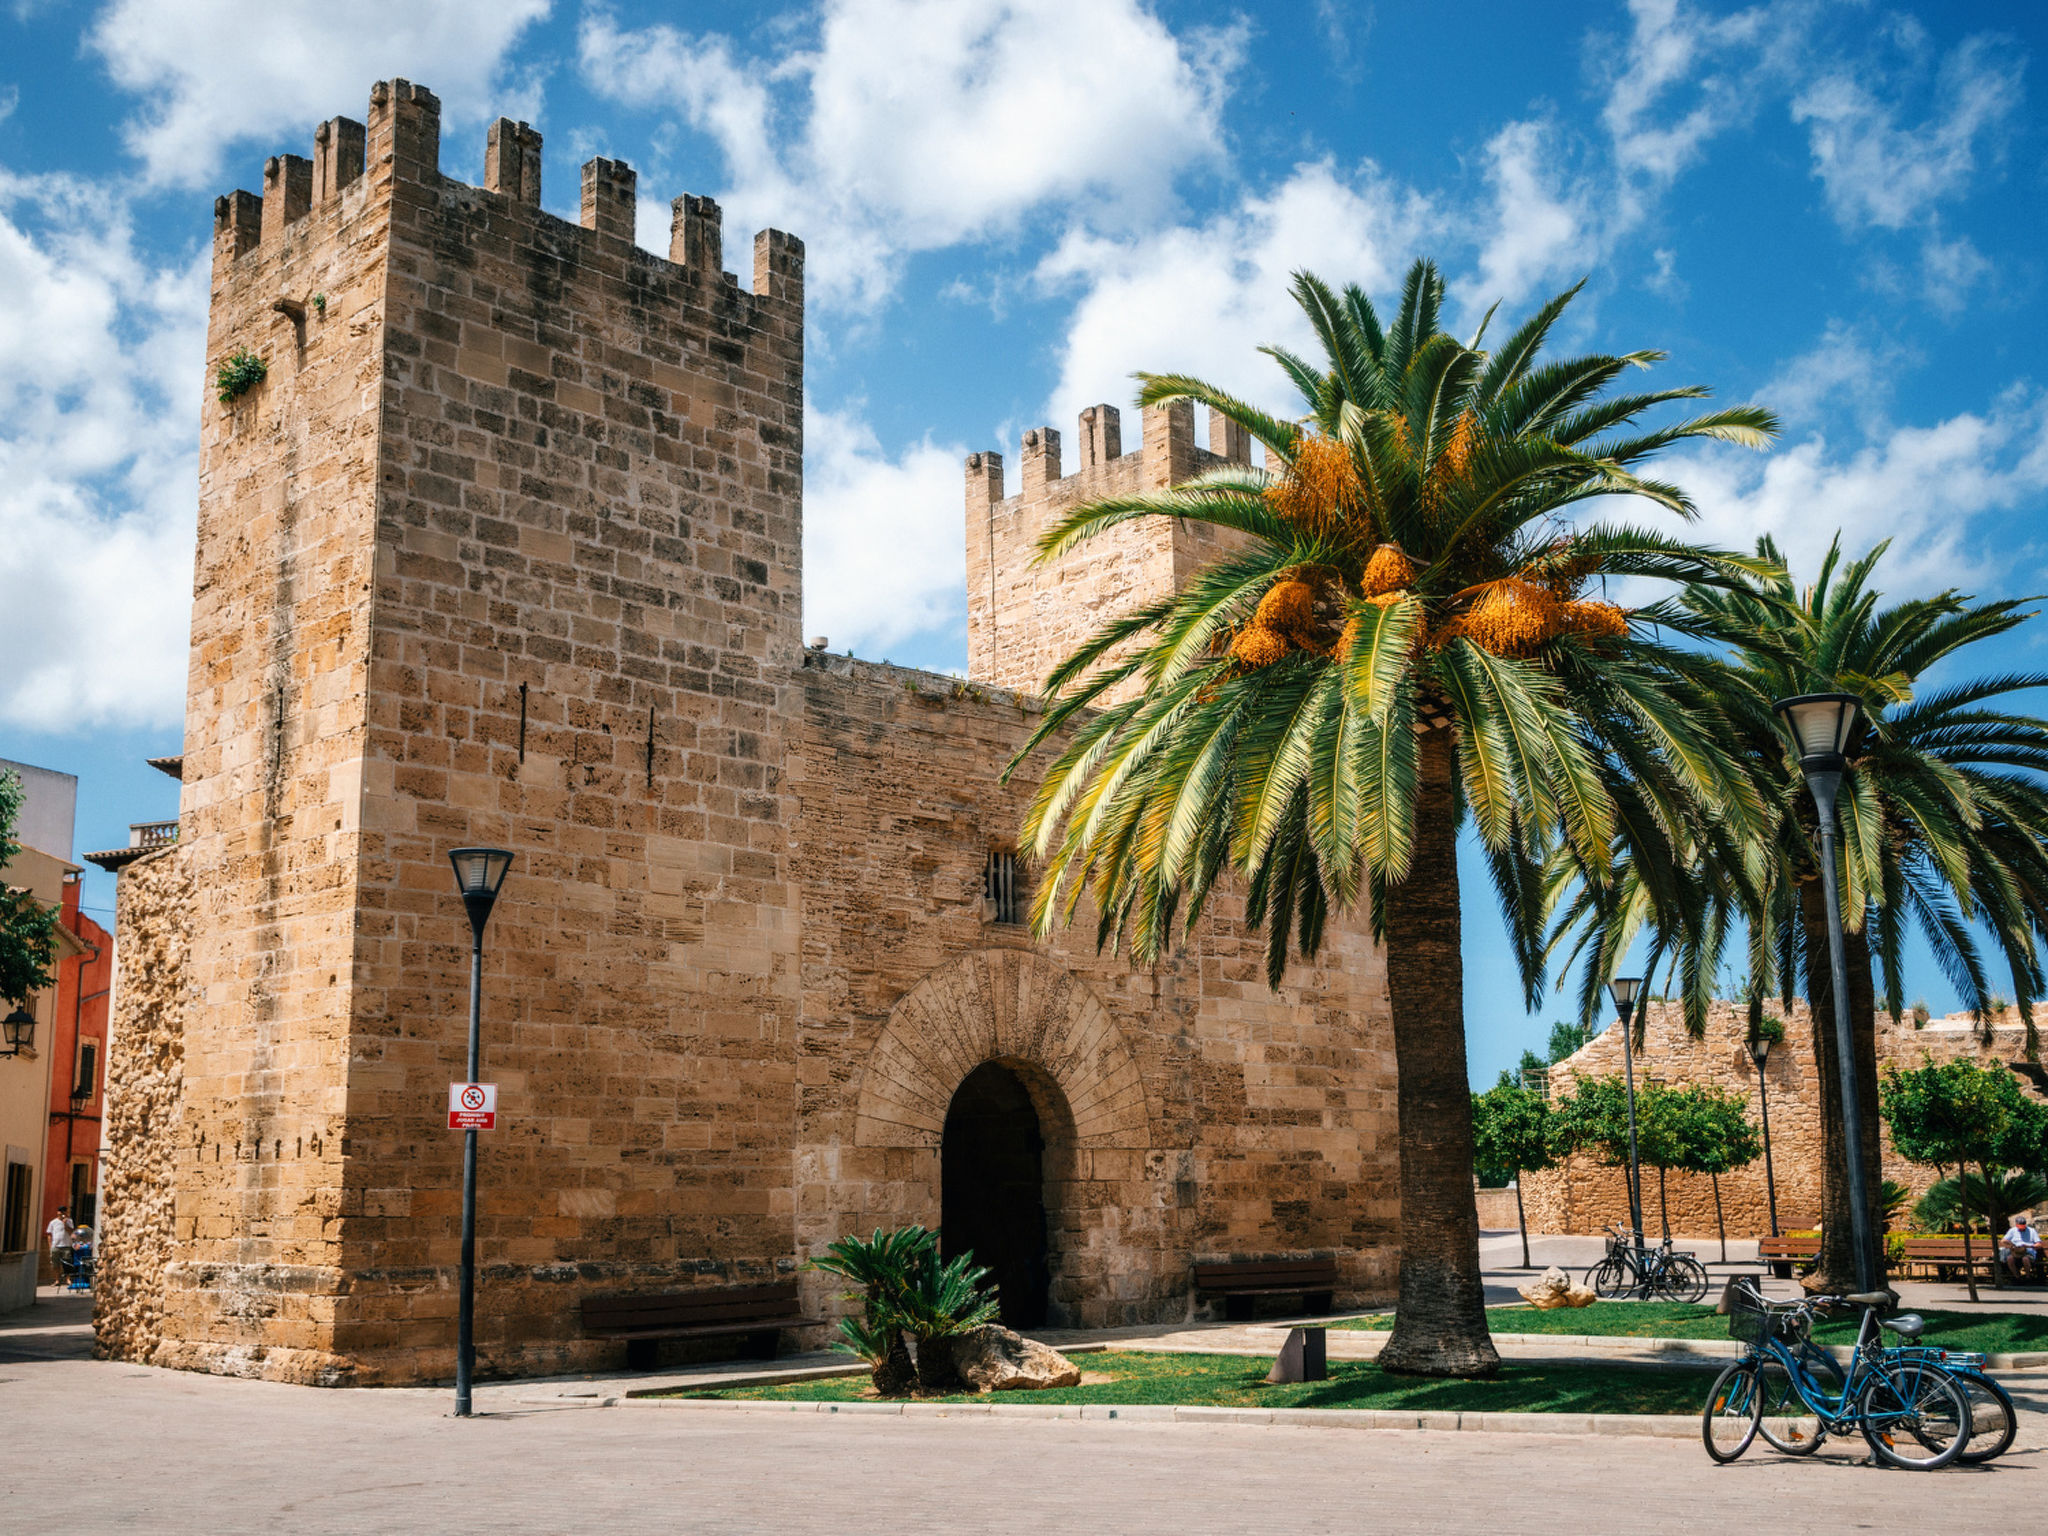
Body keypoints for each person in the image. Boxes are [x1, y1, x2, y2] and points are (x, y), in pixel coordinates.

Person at [2001, 1212, 2041, 1282]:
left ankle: (2028, 1277)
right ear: (2016, 1225)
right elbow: (2003, 1240)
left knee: (2025, 1259)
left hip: (2028, 1252)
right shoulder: (2012, 1230)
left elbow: (2039, 1244)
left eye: (2023, 1227)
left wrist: (2029, 1246)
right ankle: (2017, 1277)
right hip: (2016, 1252)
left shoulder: (2032, 1231)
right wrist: (2012, 1245)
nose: (2022, 1229)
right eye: (2020, 1227)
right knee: (2009, 1258)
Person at [44, 1206, 75, 1283]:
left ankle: (68, 1279)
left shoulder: (69, 1221)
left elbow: (71, 1231)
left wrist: (65, 1224)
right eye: (60, 1212)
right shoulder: (53, 1222)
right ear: (58, 1213)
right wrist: (50, 1246)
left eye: (64, 1212)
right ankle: (57, 1280)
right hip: (56, 1246)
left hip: (66, 1245)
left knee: (67, 1263)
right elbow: (49, 1235)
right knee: (55, 1264)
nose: (62, 1213)